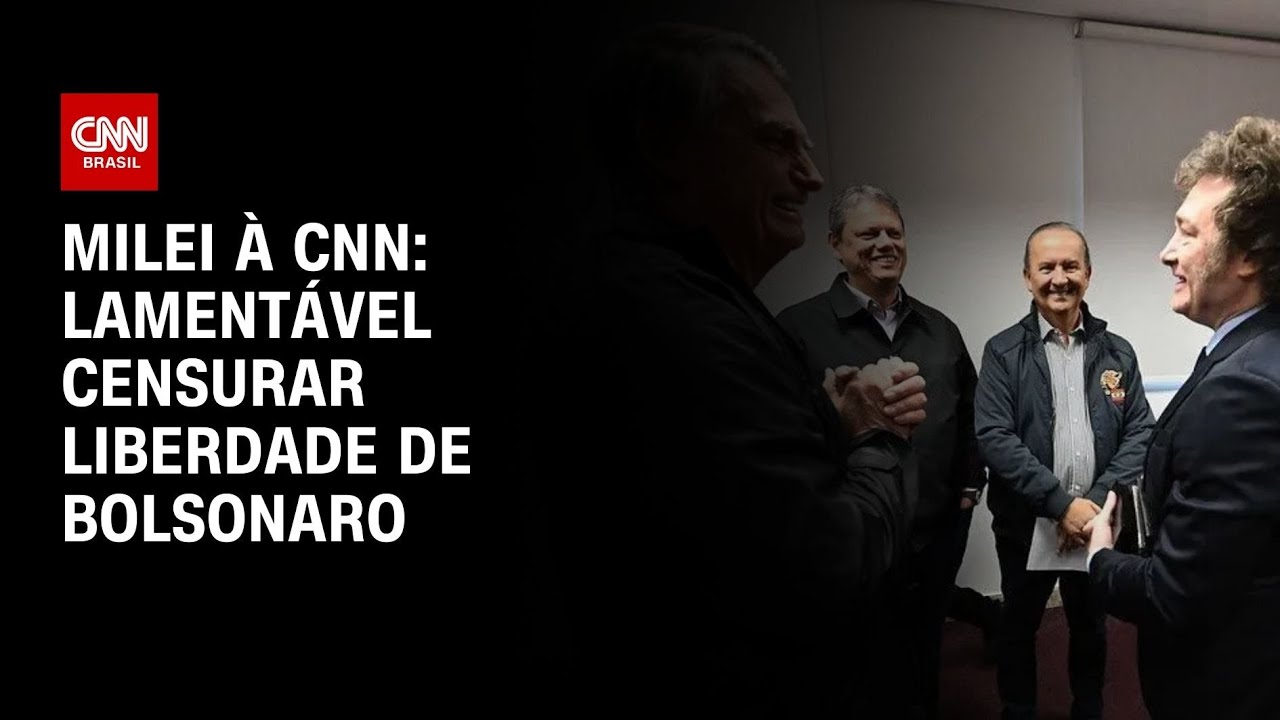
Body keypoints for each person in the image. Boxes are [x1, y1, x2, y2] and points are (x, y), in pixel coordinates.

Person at [519, 23, 930, 716]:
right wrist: (876, 431)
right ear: (666, 147)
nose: (811, 174)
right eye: (776, 142)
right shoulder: (672, 320)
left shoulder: (698, 298)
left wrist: (828, 427)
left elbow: (737, 498)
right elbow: (823, 568)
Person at [1084, 115, 1280, 719]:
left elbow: (1175, 595)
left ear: (1249, 255)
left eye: (1186, 233)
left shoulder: (1242, 389)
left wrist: (1100, 559)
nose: (1166, 252)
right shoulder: (1251, 353)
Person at [776, 184, 987, 718]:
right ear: (836, 245)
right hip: (853, 536)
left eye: (894, 232)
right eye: (868, 234)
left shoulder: (940, 330)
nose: (885, 243)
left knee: (924, 655)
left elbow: (971, 415)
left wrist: (968, 490)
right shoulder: (797, 329)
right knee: (857, 669)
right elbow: (787, 437)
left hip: (935, 535)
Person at [974, 221, 1155, 720]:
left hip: (1095, 526)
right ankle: (1019, 709)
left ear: (1088, 274)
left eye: (1071, 266)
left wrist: (1090, 507)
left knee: (1090, 626)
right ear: (1027, 277)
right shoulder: (1002, 352)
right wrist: (1059, 505)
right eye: (1047, 267)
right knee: (1019, 626)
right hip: (1026, 525)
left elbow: (1140, 431)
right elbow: (994, 437)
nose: (1059, 278)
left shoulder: (1118, 352)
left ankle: (1089, 708)